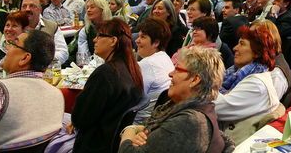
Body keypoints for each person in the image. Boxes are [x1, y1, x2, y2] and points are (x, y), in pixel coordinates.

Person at [119, 47, 230, 153]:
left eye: (177, 69)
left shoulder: (188, 123)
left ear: (195, 80)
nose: (170, 74)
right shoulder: (193, 110)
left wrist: (130, 130)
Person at [70, 19, 143, 153]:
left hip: (94, 144)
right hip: (112, 142)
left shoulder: (106, 73)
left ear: (113, 41)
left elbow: (80, 119)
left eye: (99, 36)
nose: (94, 40)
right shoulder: (132, 69)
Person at [215, 25, 282, 144]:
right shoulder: (237, 73)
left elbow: (216, 108)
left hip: (235, 145)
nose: (235, 48)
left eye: (242, 44)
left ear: (257, 52)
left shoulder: (256, 84)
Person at [134, 18, 174, 123]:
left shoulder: (147, 64)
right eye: (138, 36)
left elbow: (132, 100)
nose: (137, 40)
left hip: (138, 123)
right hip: (156, 119)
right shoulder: (165, 58)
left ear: (156, 43)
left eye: (143, 37)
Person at [21, 0, 69, 64]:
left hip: (47, 68)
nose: (27, 9)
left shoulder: (52, 27)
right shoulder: (15, 27)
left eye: (32, 6)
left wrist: (44, 60)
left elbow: (63, 52)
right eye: (24, 6)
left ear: (40, 10)